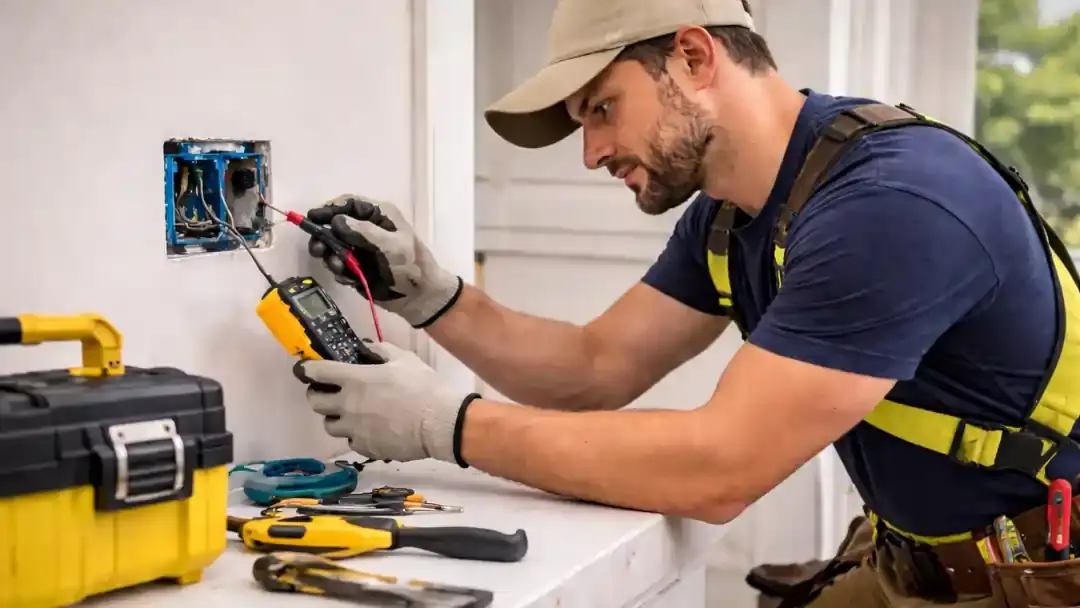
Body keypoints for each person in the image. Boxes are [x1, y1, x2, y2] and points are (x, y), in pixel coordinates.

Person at [295, 0, 1080, 606]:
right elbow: (595, 366)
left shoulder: (891, 203)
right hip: (915, 562)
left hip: (1039, 580)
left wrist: (446, 424)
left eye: (602, 108)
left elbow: (720, 468)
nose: (592, 152)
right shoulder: (734, 214)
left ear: (694, 55)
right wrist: (436, 298)